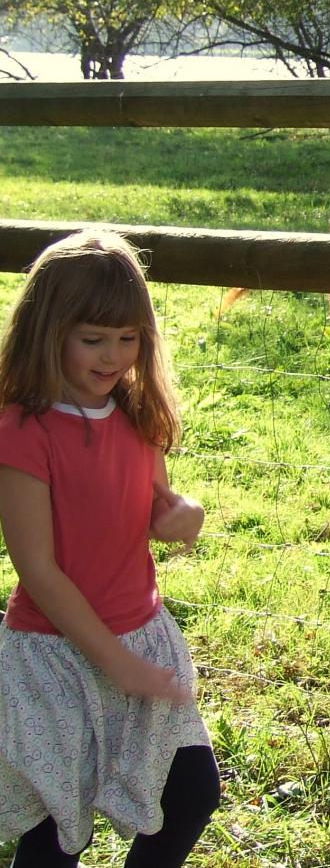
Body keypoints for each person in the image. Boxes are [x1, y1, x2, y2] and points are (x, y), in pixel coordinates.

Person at [0, 231, 220, 867]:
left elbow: (156, 505)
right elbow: (37, 569)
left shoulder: (138, 414)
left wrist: (183, 514)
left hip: (141, 635)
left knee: (191, 795)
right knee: (56, 835)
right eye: (93, 339)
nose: (113, 356)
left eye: (128, 339)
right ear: (48, 331)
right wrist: (113, 662)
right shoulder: (23, 433)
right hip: (55, 658)